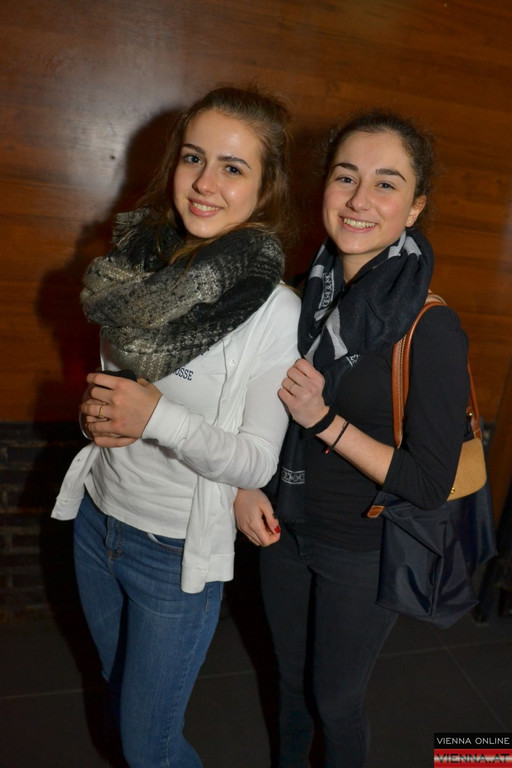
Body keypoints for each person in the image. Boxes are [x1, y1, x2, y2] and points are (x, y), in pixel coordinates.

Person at [51, 85, 301, 768]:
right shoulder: (136, 267)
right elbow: (117, 389)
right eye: (194, 158)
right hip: (97, 521)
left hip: (173, 554)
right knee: (117, 694)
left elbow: (257, 462)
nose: (204, 183)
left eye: (232, 167)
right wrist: (98, 414)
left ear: (265, 188)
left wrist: (155, 417)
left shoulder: (274, 313)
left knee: (148, 746)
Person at [234, 110, 470, 768]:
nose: (360, 199)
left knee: (335, 703)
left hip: (361, 550)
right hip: (283, 530)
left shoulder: (430, 327)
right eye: (346, 177)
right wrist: (243, 486)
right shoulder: (294, 301)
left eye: (386, 184)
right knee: (289, 685)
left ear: (415, 207)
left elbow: (428, 483)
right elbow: (249, 410)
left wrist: (324, 421)